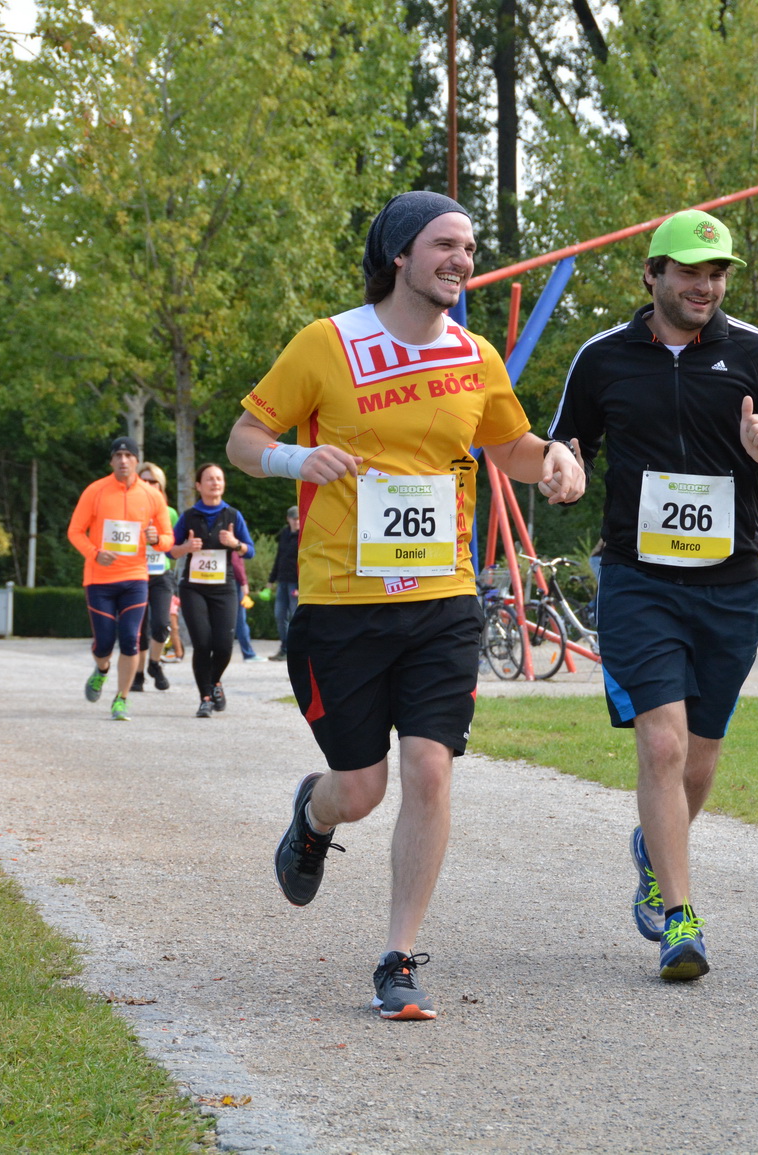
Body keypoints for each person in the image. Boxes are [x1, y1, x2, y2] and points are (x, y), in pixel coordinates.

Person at [227, 190, 585, 1019]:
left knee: (430, 766)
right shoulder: (328, 343)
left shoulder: (476, 357)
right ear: (399, 253)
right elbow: (246, 440)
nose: (462, 259)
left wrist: (558, 463)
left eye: (468, 247)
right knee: (361, 787)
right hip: (341, 604)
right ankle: (313, 817)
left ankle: (397, 956)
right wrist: (294, 461)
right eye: (444, 244)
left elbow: (511, 447)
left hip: (442, 598)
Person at [550, 209, 758, 983]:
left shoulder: (756, 352)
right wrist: (564, 471)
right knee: (661, 744)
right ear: (653, 273)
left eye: (718, 273)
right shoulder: (604, 357)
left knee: (700, 757)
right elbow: (566, 442)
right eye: (691, 272)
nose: (706, 285)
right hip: (638, 580)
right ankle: (680, 917)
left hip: (729, 587)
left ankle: (651, 848)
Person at [66, 436, 173, 722]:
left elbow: (167, 539)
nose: (123, 460)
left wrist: (157, 539)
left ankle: (121, 699)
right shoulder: (96, 491)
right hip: (99, 579)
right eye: (118, 455)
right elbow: (75, 531)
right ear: (111, 460)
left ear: (137, 460)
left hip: (135, 578)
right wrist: (94, 552)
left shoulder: (152, 496)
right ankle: (101, 670)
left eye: (129, 455)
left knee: (129, 639)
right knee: (103, 643)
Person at [168, 462, 255, 719]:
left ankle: (215, 682)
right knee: (203, 644)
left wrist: (234, 543)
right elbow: (169, 549)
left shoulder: (232, 515)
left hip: (224, 587)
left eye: (219, 478)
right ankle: (205, 698)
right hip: (194, 587)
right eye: (209, 479)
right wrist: (186, 547)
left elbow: (250, 550)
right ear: (198, 485)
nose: (215, 482)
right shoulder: (189, 515)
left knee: (225, 646)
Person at [127, 463, 177, 692]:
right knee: (137, 627)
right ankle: (137, 674)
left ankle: (154, 664)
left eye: (153, 481)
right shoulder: (128, 508)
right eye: (144, 480)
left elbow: (173, 545)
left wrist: (158, 539)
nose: (148, 485)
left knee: (161, 624)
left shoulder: (170, 513)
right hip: (134, 573)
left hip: (160, 574)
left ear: (161, 485)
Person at [267, 504, 300, 660]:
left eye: (299, 518)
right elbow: (279, 558)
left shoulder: (304, 536)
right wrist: (271, 580)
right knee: (280, 615)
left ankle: (295, 649)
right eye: (294, 518)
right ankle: (284, 647)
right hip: (283, 581)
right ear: (288, 519)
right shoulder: (285, 534)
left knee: (295, 616)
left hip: (296, 582)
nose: (297, 521)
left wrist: (302, 585)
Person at [232, 549, 262, 663]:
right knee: (240, 620)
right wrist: (244, 582)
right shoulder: (233, 538)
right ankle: (248, 653)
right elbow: (236, 562)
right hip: (234, 582)